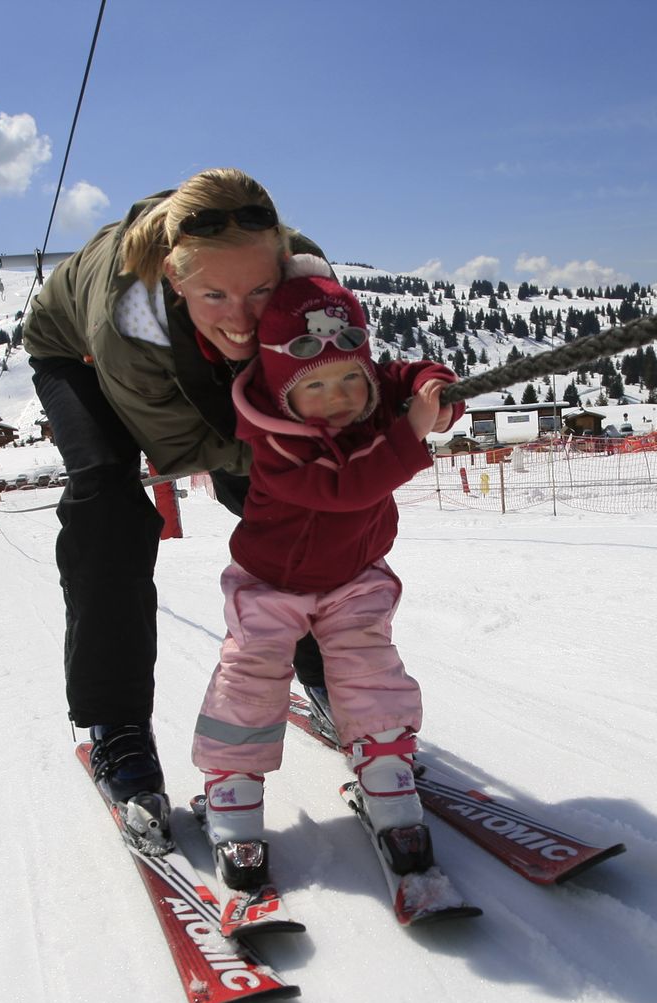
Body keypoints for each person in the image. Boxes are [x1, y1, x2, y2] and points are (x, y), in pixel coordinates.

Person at [24, 168, 384, 819]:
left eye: (261, 290)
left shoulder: (310, 283)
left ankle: (331, 678)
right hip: (78, 356)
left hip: (194, 352)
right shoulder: (129, 317)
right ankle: (117, 726)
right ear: (177, 277)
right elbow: (192, 449)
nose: (244, 318)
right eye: (216, 293)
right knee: (107, 502)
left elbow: (336, 378)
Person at [190, 269, 460, 886]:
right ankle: (232, 787)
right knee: (252, 672)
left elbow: (404, 375)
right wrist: (410, 432)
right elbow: (345, 488)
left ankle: (387, 776)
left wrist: (434, 390)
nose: (339, 398)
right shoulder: (272, 436)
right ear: (284, 388)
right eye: (318, 386)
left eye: (350, 379)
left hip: (355, 575)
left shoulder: (364, 388)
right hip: (270, 582)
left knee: (370, 666)